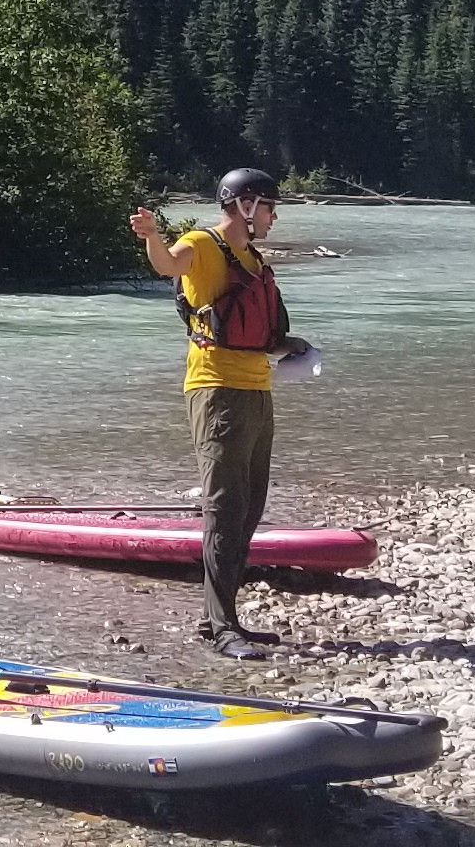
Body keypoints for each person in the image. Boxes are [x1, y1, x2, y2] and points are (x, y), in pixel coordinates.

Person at [129, 168, 309, 659]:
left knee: (248, 507)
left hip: (255, 388)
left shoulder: (251, 257)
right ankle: (221, 626)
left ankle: (221, 618)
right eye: (270, 207)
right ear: (246, 206)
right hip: (216, 390)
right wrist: (152, 237)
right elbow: (169, 264)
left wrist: (290, 345)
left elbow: (254, 327)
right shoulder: (203, 245)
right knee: (225, 510)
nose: (274, 217)